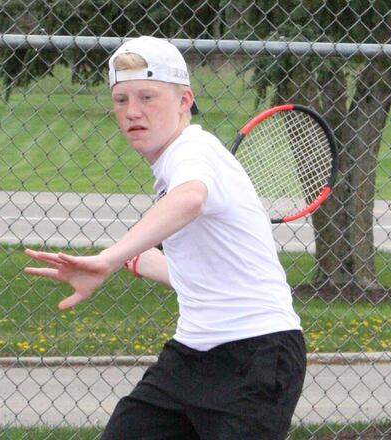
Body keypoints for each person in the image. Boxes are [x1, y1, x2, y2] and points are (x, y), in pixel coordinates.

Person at [24, 36, 306, 439]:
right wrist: (130, 259)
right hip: (190, 357)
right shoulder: (172, 168)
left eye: (147, 97)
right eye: (121, 100)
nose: (133, 111)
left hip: (256, 355)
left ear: (184, 100)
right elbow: (202, 273)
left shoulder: (193, 150)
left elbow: (190, 199)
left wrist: (108, 257)